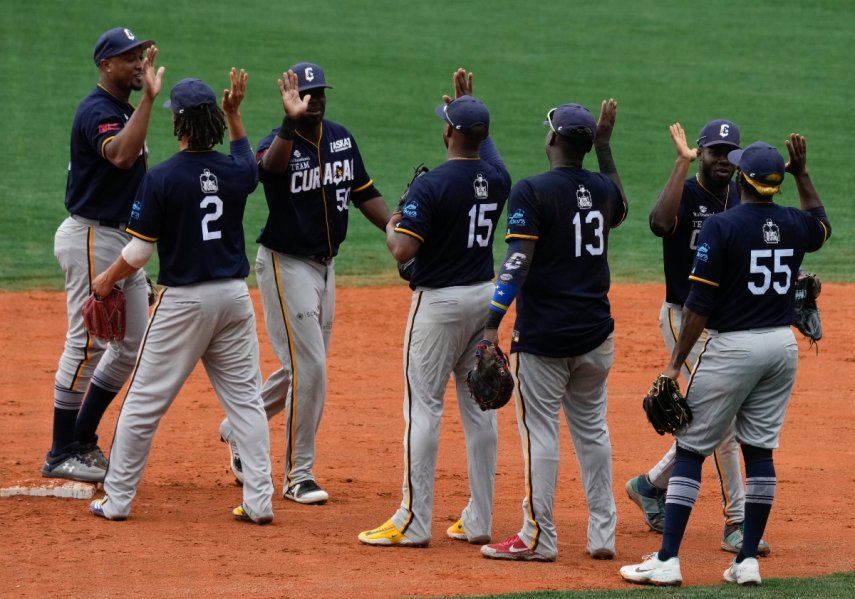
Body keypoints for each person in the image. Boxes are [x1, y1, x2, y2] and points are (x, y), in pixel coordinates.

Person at [620, 135, 830, 586]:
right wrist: (804, 174)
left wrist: (673, 365)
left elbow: (697, 304)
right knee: (759, 451)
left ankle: (668, 559)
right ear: (775, 183)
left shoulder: (723, 226)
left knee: (691, 447)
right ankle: (747, 560)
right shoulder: (794, 224)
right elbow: (822, 224)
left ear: (742, 178)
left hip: (733, 348)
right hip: (781, 349)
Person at [87, 71, 274, 524]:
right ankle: (260, 503)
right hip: (233, 298)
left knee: (143, 402)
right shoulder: (234, 171)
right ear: (211, 119)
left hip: (185, 303)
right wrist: (236, 116)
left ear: (179, 126)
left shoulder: (164, 177)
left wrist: (107, 279)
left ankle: (117, 500)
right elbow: (249, 163)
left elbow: (139, 250)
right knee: (246, 401)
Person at [217, 62, 390, 505]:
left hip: (326, 268)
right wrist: (287, 124)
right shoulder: (278, 143)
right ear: (291, 97)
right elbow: (265, 172)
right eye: (306, 94)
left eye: (319, 94)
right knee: (310, 368)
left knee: (304, 368)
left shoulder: (342, 138)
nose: (314, 101)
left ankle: (240, 423)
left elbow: (364, 192)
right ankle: (298, 475)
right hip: (284, 264)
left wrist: (395, 229)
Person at [358, 69, 510, 547]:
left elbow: (403, 250)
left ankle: (413, 519)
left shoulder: (433, 186)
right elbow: (488, 153)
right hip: (482, 300)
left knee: (422, 406)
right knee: (479, 408)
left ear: (448, 132)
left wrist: (393, 225)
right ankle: (480, 517)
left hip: (438, 306)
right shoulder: (499, 180)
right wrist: (471, 106)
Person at [478, 101, 628, 562]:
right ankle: (603, 533)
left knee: (539, 433)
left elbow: (517, 260)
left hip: (544, 337)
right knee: (592, 431)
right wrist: (605, 147)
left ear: (552, 140)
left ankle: (538, 536)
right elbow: (620, 206)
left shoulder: (532, 191)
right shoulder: (603, 190)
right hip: (595, 334)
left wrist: (491, 325)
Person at [625, 120, 770, 556]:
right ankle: (738, 521)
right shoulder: (686, 194)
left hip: (728, 321)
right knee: (724, 425)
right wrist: (679, 166)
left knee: (718, 414)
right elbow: (656, 223)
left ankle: (650, 485)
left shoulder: (742, 198)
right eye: (715, 152)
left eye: (731, 153)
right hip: (683, 318)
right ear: (701, 153)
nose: (724, 160)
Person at [45, 28, 163, 483]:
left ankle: (82, 438)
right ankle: (60, 451)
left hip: (120, 243)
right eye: (126, 57)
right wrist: (151, 100)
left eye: (140, 56)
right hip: (94, 237)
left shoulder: (122, 109)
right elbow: (120, 157)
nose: (137, 63)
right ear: (104, 65)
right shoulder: (98, 110)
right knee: (88, 342)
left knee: (129, 346)